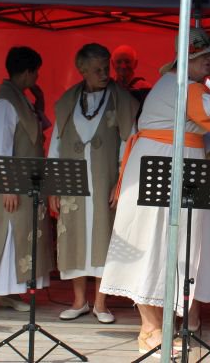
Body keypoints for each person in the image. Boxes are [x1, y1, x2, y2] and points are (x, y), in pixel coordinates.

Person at [99, 28, 210, 356]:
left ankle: (162, 325)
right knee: (153, 242)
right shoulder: (187, 88)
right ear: (188, 60)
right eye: (205, 57)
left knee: (162, 242)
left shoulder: (179, 84)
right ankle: (150, 330)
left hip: (165, 160)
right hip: (165, 163)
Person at [48, 44, 139, 324]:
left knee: (103, 236)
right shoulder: (67, 102)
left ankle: (101, 303)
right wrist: (53, 185)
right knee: (73, 236)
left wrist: (121, 182)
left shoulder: (121, 100)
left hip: (105, 180)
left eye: (105, 68)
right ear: (82, 70)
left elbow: (129, 143)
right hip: (72, 181)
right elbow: (56, 143)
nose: (104, 74)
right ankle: (79, 301)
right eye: (97, 69)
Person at [0, 46, 53, 318]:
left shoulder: (21, 99)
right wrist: (6, 186)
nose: (38, 77)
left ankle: (9, 292)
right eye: (36, 72)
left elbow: (33, 132)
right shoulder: (5, 103)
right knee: (6, 235)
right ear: (28, 72)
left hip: (26, 182)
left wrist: (39, 103)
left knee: (22, 236)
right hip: (10, 183)